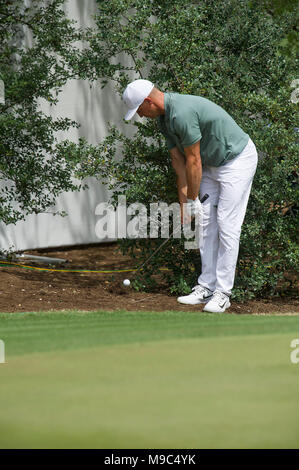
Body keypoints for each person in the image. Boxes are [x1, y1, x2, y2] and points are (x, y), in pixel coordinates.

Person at [122, 79, 258, 313]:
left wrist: (194, 199)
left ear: (148, 102)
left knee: (227, 224)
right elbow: (179, 162)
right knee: (205, 223)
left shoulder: (181, 113)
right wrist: (186, 202)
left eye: (139, 110)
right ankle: (206, 287)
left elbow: (194, 160)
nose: (140, 116)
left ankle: (223, 293)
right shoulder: (164, 120)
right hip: (210, 164)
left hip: (236, 160)